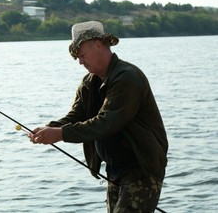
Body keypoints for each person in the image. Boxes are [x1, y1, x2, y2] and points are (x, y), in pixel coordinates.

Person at [29, 21, 168, 213]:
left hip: (141, 169)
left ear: (97, 44)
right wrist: (48, 129)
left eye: (82, 54)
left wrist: (60, 134)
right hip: (115, 170)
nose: (80, 61)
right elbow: (75, 116)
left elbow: (107, 122)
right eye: (77, 57)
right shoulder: (89, 83)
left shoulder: (127, 78)